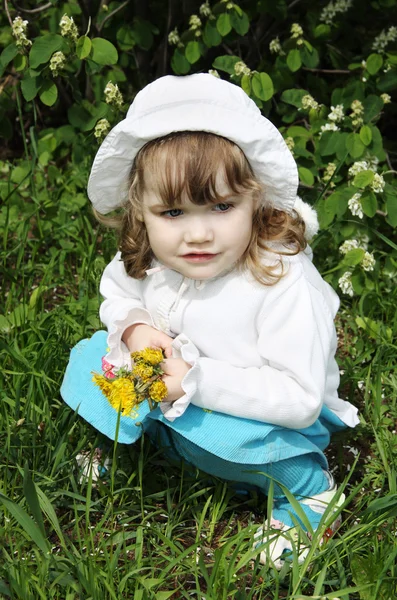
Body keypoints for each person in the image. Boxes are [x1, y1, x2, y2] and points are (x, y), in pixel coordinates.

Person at [61, 73, 359, 569]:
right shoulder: (150, 256)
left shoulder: (281, 283)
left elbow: (300, 399)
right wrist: (134, 326)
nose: (198, 233)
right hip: (166, 382)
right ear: (141, 211)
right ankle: (151, 435)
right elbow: (116, 292)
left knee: (218, 438)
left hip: (263, 416)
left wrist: (196, 384)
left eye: (222, 206)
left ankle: (308, 493)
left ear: (255, 200)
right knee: (92, 359)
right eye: (173, 212)